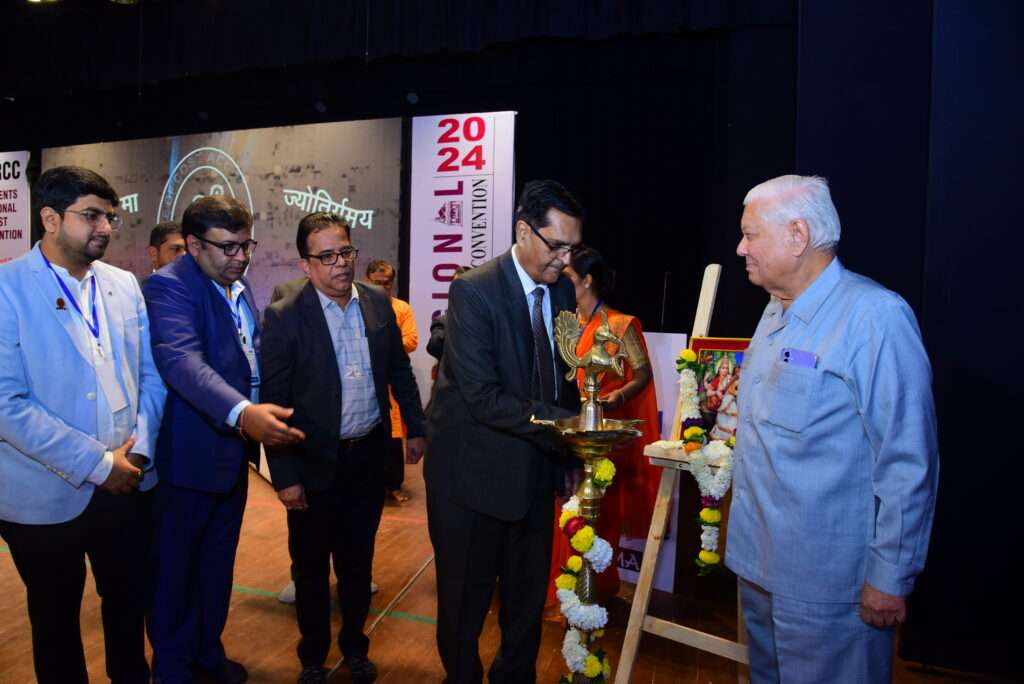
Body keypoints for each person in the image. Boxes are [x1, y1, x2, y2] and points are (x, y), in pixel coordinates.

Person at [727, 175, 940, 683]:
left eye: (751, 234)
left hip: (828, 590)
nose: (741, 248)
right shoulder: (774, 311)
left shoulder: (876, 319)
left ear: (797, 236)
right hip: (759, 571)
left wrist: (890, 575)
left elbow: (908, 459)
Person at [0, 166, 166, 684]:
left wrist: (138, 453)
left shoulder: (122, 284)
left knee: (126, 608)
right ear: (50, 218)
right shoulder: (7, 288)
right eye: (90, 215)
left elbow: (150, 377)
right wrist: (98, 465)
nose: (106, 227)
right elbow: (7, 404)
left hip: (129, 482)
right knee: (55, 625)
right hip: (44, 495)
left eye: (110, 216)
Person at [425, 180, 583, 684]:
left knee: (524, 607)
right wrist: (570, 428)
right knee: (463, 609)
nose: (564, 259)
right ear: (522, 230)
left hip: (534, 473)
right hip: (470, 480)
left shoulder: (561, 290)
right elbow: (483, 396)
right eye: (556, 245)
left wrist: (570, 455)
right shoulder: (474, 289)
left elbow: (565, 376)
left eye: (572, 248)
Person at [144, 196, 305, 684]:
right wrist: (244, 413)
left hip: (230, 456)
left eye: (246, 245)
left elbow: (246, 357)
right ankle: (172, 669)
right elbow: (181, 363)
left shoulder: (233, 285)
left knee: (215, 570)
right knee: (175, 575)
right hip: (186, 460)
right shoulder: (168, 288)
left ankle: (207, 654)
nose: (240, 257)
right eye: (228, 247)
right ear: (193, 245)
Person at [261, 212, 426, 684]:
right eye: (327, 256)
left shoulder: (378, 304)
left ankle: (355, 647)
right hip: (313, 462)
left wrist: (415, 427)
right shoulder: (285, 315)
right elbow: (274, 402)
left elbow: (398, 371)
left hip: (367, 457)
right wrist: (286, 477)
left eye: (346, 252)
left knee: (357, 564)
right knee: (310, 569)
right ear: (305, 265)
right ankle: (312, 658)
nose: (340, 264)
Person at [543, 247, 661, 611]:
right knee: (561, 508)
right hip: (567, 430)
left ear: (587, 281)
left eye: (568, 278)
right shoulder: (566, 322)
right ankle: (563, 591)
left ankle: (593, 590)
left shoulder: (620, 324)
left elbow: (642, 374)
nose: (561, 283)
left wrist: (614, 398)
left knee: (595, 513)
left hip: (599, 435)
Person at [365, 258, 419, 505]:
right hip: (366, 380)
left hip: (392, 380)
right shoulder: (360, 306)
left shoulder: (402, 309)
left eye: (387, 283)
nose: (383, 287)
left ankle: (394, 485)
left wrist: (388, 345)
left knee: (394, 438)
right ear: (367, 280)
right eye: (377, 283)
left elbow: (412, 340)